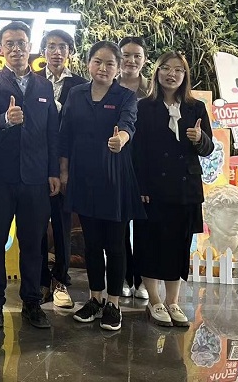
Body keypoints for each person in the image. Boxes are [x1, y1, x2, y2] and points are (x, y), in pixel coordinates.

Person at [60, 41, 144, 332]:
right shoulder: (76, 94)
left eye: (110, 63)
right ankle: (95, 299)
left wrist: (122, 139)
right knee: (92, 243)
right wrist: (63, 171)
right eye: (98, 61)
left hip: (114, 178)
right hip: (83, 178)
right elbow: (65, 134)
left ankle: (113, 303)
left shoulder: (126, 96)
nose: (103, 68)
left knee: (116, 244)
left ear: (118, 68)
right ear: (88, 64)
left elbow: (129, 124)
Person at [0, 21, 59, 330]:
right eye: (10, 44)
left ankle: (31, 302)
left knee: (32, 243)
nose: (16, 49)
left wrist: (54, 172)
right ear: (1, 50)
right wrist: (4, 119)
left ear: (31, 48)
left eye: (21, 43)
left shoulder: (44, 87)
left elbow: (53, 133)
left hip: (36, 178)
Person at [133, 51, 213, 327]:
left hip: (185, 188)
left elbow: (208, 148)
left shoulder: (195, 107)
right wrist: (141, 185)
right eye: (166, 68)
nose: (172, 74)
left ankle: (173, 301)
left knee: (179, 245)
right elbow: (137, 152)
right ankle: (154, 301)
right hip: (153, 188)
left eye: (178, 70)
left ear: (185, 75)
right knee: (150, 243)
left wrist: (200, 138)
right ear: (157, 72)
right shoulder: (144, 107)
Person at [37, 29, 86, 309]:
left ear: (70, 52)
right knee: (36, 224)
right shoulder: (33, 81)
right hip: (36, 163)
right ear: (43, 51)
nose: (57, 52)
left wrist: (65, 168)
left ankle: (60, 280)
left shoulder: (80, 86)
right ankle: (41, 280)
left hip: (66, 164)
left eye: (63, 47)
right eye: (51, 46)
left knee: (63, 224)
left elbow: (77, 129)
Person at [116, 35, 151, 299]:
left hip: (146, 164)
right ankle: (124, 276)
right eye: (126, 55)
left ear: (144, 60)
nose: (131, 60)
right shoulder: (108, 86)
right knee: (118, 224)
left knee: (144, 225)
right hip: (117, 162)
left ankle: (142, 279)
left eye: (137, 56)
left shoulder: (153, 90)